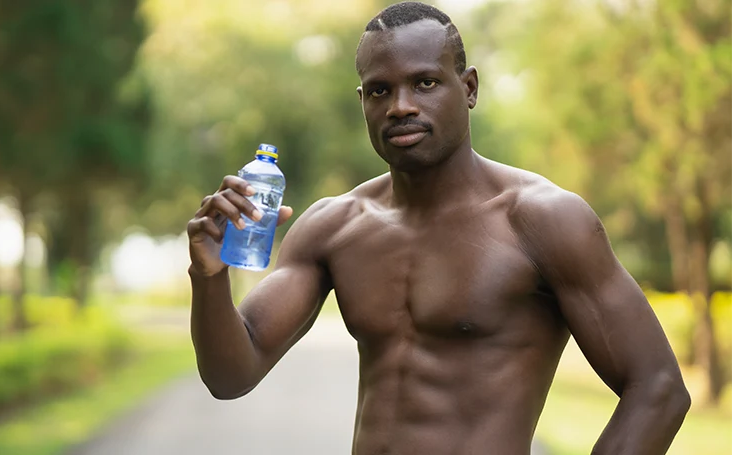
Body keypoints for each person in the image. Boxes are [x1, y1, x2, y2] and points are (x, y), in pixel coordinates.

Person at [186, 2, 691, 454]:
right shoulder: (334, 226)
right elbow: (232, 374)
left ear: (468, 88)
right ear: (362, 100)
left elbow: (658, 387)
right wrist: (209, 278)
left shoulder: (541, 220)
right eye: (380, 90)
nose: (400, 105)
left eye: (424, 82)